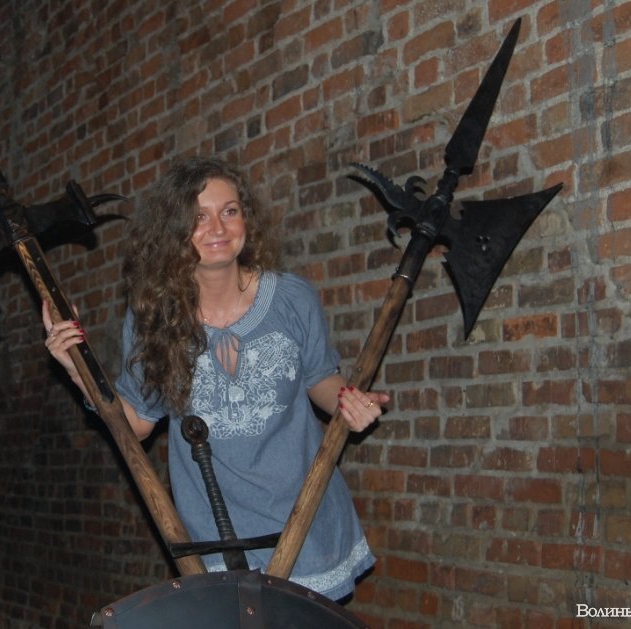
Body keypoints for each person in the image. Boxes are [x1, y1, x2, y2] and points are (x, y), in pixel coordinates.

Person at [43, 156, 389, 601]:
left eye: (229, 211)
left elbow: (320, 378)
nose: (218, 228)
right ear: (174, 230)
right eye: (199, 217)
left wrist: (348, 400)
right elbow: (138, 423)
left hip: (305, 524)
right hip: (214, 535)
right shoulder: (154, 319)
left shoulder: (292, 298)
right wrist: (77, 369)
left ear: (246, 219)